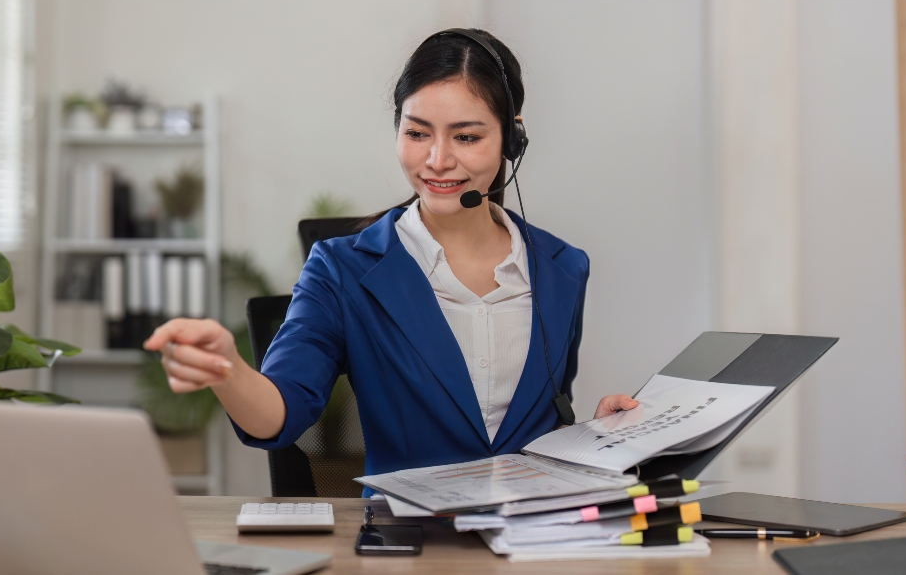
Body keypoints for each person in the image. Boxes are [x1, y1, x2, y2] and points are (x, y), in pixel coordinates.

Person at [145, 29, 638, 489]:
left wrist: (597, 434)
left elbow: (546, 421)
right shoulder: (341, 270)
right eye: (417, 133)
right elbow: (280, 414)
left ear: (513, 139)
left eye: (466, 137)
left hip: (531, 530)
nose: (437, 160)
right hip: (407, 534)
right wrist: (229, 371)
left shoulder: (563, 268)